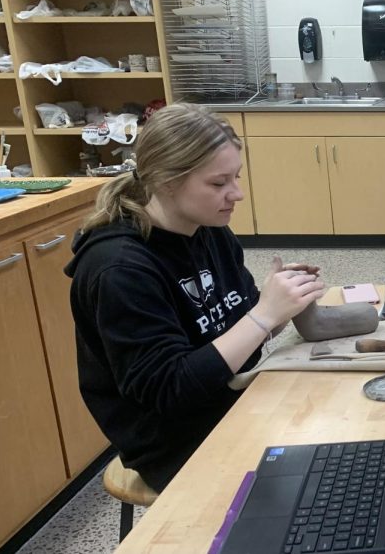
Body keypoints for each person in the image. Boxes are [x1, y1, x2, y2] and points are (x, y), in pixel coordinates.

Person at [66, 104, 325, 492]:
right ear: (166, 181)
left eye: (236, 177)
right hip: (175, 442)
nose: (236, 194)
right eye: (218, 183)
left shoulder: (207, 230)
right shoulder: (119, 270)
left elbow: (236, 343)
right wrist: (262, 317)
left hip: (231, 400)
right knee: (322, 481)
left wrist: (276, 309)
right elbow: (171, 392)